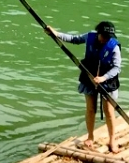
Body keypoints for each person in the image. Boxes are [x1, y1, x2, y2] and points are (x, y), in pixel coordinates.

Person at [47, 21, 122, 153]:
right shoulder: (90, 36)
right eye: (103, 36)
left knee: (109, 111)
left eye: (108, 37)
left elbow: (117, 68)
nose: (105, 39)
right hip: (90, 76)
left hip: (107, 80)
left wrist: (103, 78)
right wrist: (56, 34)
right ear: (98, 33)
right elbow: (74, 39)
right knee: (90, 109)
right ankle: (90, 137)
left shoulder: (114, 47)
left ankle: (112, 140)